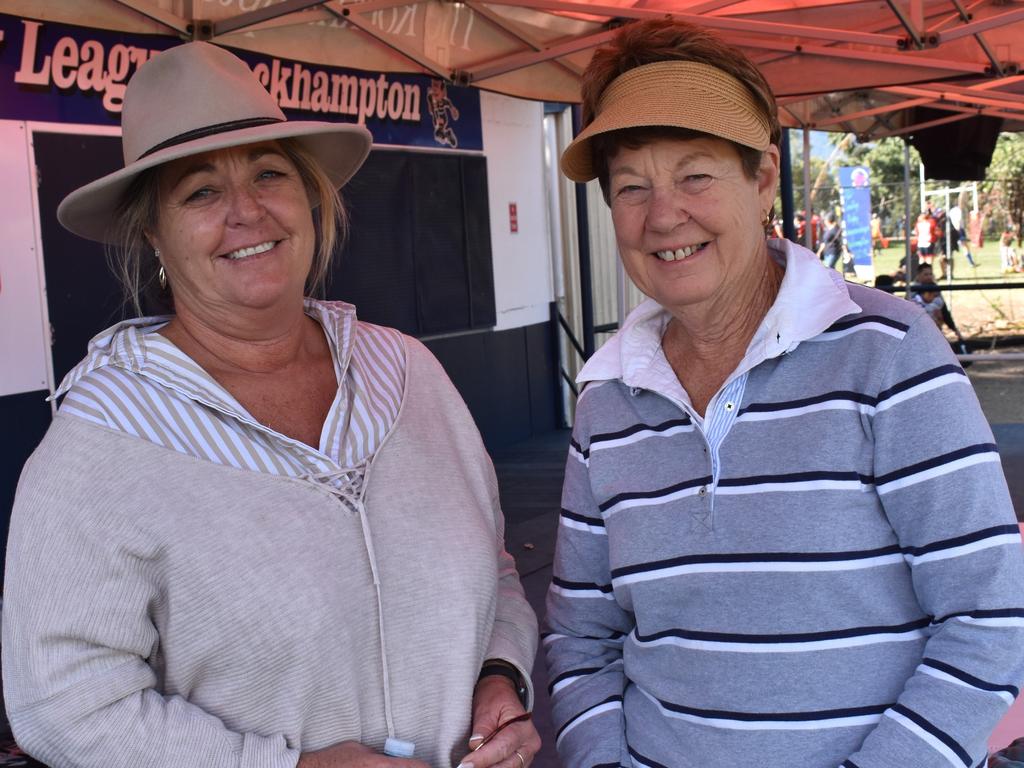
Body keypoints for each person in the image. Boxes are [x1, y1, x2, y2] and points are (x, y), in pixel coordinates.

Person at [2, 43, 540, 768]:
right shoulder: (100, 443)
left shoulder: (410, 374)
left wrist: (499, 673)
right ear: (154, 234)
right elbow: (62, 704)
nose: (247, 212)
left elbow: (497, 568)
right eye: (200, 192)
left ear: (310, 197)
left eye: (269, 174)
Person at [546, 18, 1024, 768]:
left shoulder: (888, 354)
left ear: (763, 176)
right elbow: (580, 636)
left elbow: (990, 612)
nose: (662, 216)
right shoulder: (606, 396)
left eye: (695, 175)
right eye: (632, 187)